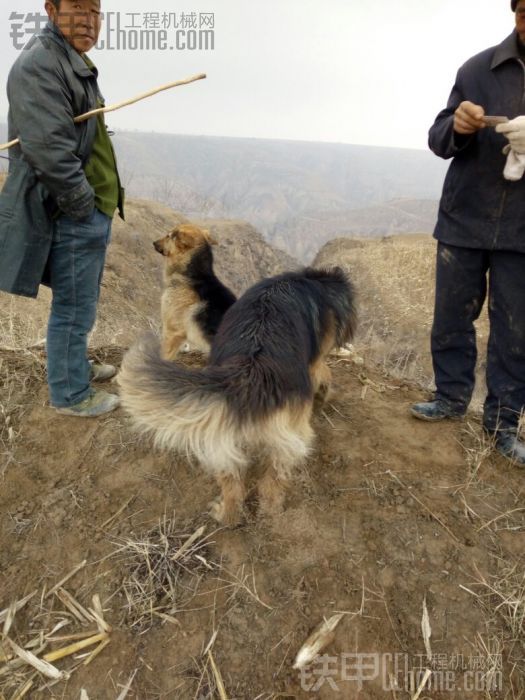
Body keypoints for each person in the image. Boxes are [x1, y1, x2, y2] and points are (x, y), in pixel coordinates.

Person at [411, 0, 525, 466]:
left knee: (516, 332)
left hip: (522, 232)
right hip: (465, 218)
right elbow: (439, 137)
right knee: (452, 317)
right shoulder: (477, 68)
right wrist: (456, 126)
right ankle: (451, 399)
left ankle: (503, 424)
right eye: (523, 11)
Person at [0, 0, 125, 417]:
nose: (89, 20)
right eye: (78, 8)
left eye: (96, 11)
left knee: (81, 299)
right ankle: (70, 394)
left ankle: (74, 365)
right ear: (51, 9)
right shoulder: (40, 64)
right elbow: (50, 151)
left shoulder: (70, 59)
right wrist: (83, 207)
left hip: (89, 210)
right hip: (72, 212)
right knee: (73, 305)